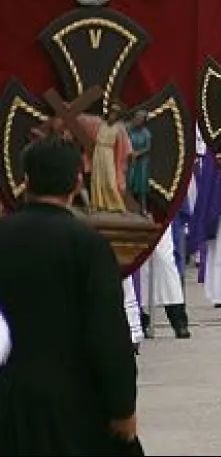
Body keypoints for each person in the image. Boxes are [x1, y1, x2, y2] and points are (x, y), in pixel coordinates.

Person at [0, 135, 139, 454]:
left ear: (26, 181)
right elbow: (108, 332)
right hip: (74, 404)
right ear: (78, 180)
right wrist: (122, 407)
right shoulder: (88, 245)